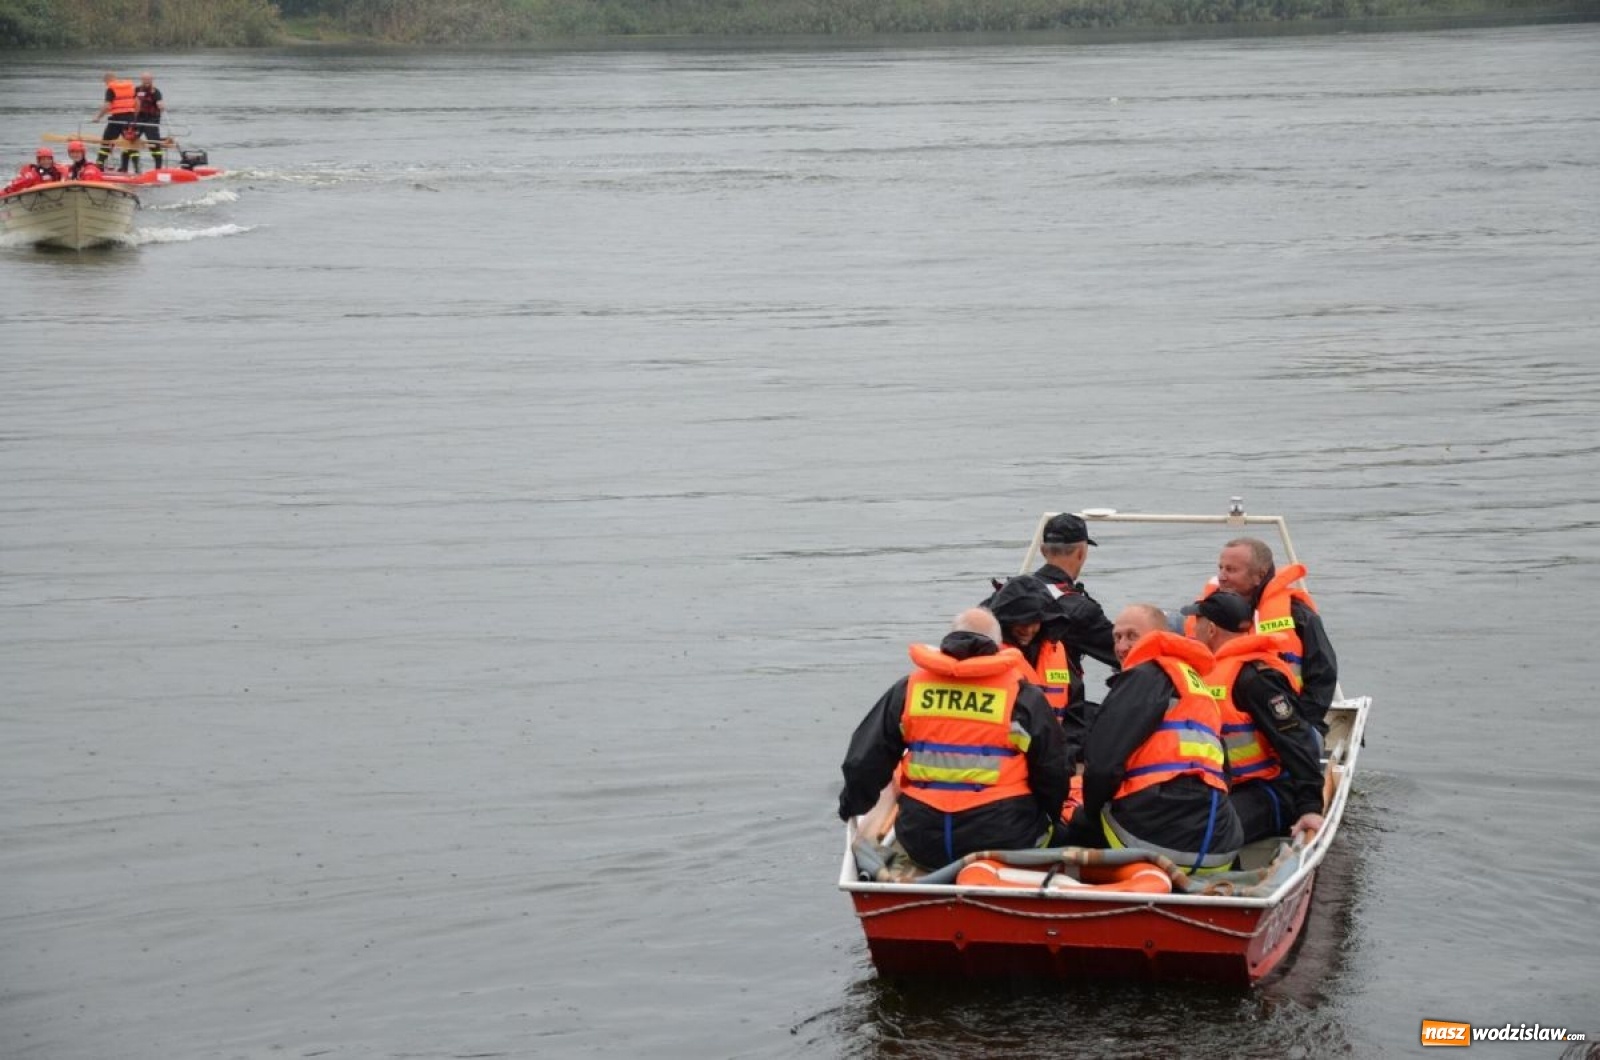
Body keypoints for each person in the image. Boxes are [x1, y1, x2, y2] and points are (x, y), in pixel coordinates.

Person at [837, 607, 1071, 871]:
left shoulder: (909, 689)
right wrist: (1051, 813)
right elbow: (1053, 770)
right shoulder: (1023, 697)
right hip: (1001, 838)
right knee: (1060, 835)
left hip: (922, 840)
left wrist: (851, 808)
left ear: (948, 640)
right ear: (997, 645)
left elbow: (863, 763)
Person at [1066, 603, 1243, 874]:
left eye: (1132, 636)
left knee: (1068, 825)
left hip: (1153, 843)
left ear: (1159, 636)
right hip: (1220, 847)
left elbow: (1102, 768)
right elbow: (1224, 773)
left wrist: (1089, 813)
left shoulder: (1143, 675)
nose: (1122, 646)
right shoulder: (1195, 685)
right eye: (1116, 637)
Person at [1190, 591, 1325, 845]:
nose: (1192, 628)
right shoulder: (1201, 674)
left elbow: (1296, 739)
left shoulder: (1256, 679)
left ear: (1210, 630)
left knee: (1209, 832)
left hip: (1269, 789)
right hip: (1223, 786)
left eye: (1197, 621)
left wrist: (1310, 806)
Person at [1186, 537, 1338, 733]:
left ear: (1260, 575)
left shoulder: (1297, 615)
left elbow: (1322, 676)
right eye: (1221, 568)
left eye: (1231, 570)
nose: (1222, 576)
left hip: (1286, 721)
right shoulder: (1206, 614)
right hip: (1221, 726)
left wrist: (1297, 725)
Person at [1030, 512, 1119, 717]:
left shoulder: (1007, 595)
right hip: (1059, 720)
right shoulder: (1079, 609)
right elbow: (1123, 652)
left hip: (1014, 706)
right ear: (1081, 553)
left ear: (1043, 551)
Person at [94, 71, 139, 167]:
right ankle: (137, 167)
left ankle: (99, 165)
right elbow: (138, 103)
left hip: (116, 119)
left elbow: (107, 106)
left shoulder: (111, 89)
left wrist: (98, 117)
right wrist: (134, 117)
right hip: (129, 119)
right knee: (130, 143)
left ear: (107, 80)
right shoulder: (130, 88)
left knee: (106, 141)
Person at [133, 72, 165, 169]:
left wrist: (161, 106)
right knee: (131, 141)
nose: (146, 81)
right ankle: (135, 166)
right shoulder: (136, 90)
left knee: (154, 143)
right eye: (145, 79)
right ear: (141, 80)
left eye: (148, 79)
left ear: (152, 80)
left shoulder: (155, 92)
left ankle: (158, 167)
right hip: (138, 119)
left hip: (151, 120)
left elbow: (160, 102)